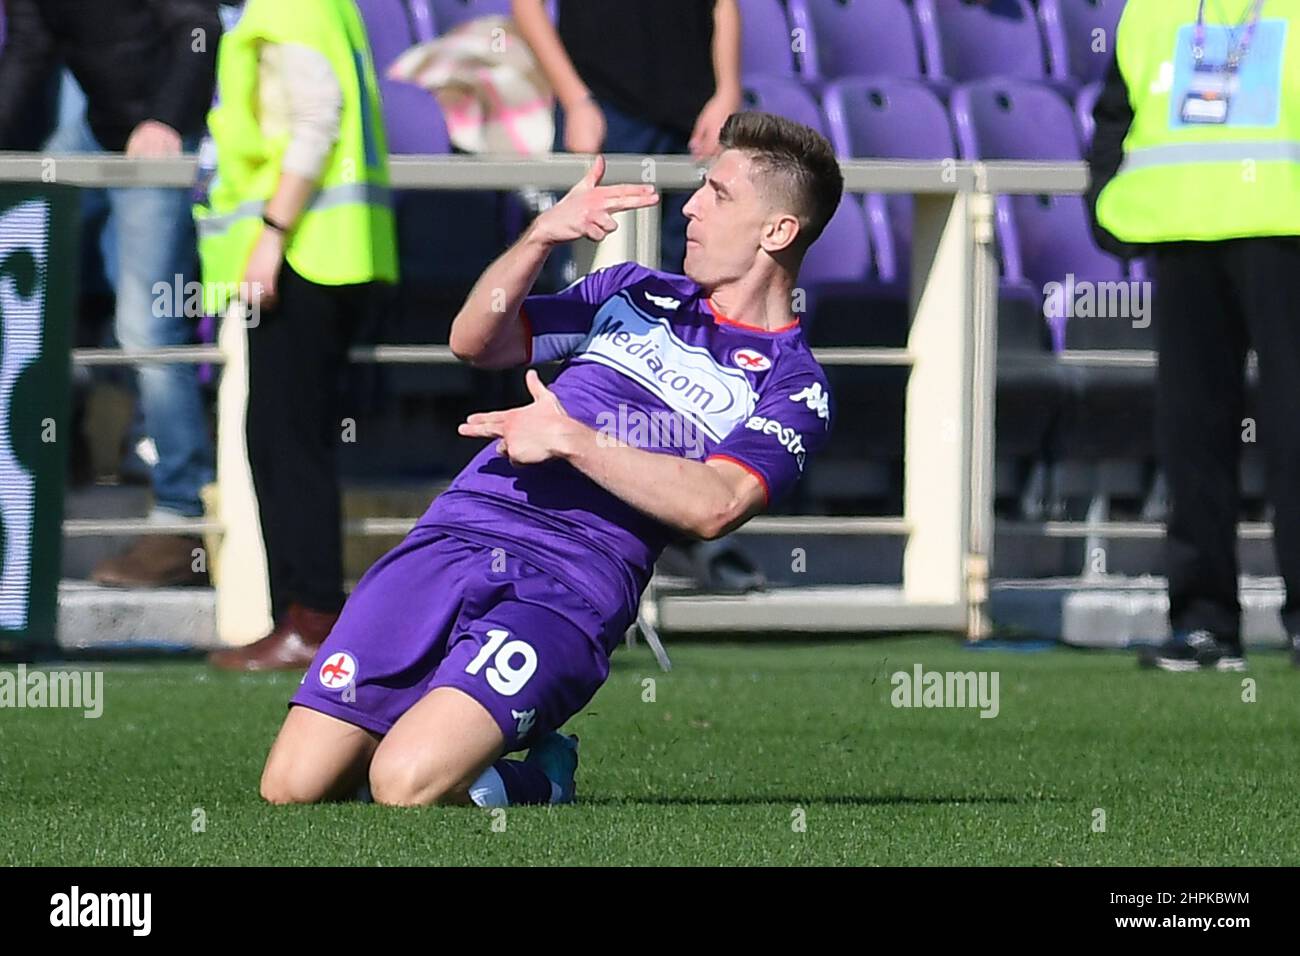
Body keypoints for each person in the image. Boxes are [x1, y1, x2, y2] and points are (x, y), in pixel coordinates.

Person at [258, 112, 839, 807]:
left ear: (778, 231)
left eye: (718, 193)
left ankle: (541, 778)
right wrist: (540, 238)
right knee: (292, 787)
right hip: (453, 535)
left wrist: (572, 439)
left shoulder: (792, 383)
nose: (691, 205)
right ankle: (439, 739)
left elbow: (716, 503)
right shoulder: (633, 291)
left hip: (569, 585)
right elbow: (476, 340)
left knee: (403, 786)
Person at [1088, 0, 1300, 671]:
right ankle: (1204, 622)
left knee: (1295, 429)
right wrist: (1103, 197)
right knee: (1192, 432)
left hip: (1285, 230)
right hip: (1180, 231)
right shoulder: (1150, 9)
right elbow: (1115, 113)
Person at [199, 0, 397, 670]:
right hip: (324, 255)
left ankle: (311, 618)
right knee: (280, 437)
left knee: (289, 442)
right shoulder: (320, 7)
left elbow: (316, 125)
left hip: (306, 256)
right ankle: (301, 614)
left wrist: (271, 238)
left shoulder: (290, 8)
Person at [0, 0, 221, 587]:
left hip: (163, 138)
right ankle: (52, 440)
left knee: (147, 329)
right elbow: (28, 50)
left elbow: (198, 27)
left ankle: (182, 519)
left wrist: (168, 121)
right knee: (20, 257)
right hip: (94, 133)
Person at [512, 0, 741, 273]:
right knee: (594, 286)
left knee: (685, 284)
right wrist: (576, 101)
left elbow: (723, 4)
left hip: (696, 123)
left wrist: (727, 91)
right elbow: (526, 6)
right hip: (606, 115)